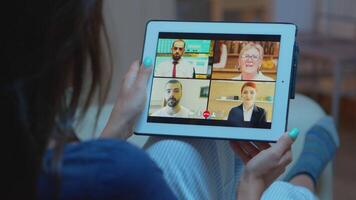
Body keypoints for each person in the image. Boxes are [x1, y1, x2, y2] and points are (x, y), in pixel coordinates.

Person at [3, 1, 338, 200]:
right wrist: (251, 187)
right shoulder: (126, 173)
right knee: (274, 192)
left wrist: (117, 125)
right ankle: (304, 176)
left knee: (186, 140)